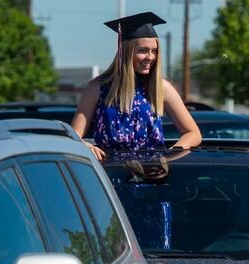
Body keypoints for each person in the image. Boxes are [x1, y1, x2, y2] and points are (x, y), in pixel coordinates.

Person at [71, 12, 201, 161]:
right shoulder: (97, 88)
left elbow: (193, 133)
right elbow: (74, 137)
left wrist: (168, 156)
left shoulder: (161, 88)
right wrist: (85, 145)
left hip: (152, 176)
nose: (150, 57)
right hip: (109, 176)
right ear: (125, 51)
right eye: (143, 50)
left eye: (154, 51)